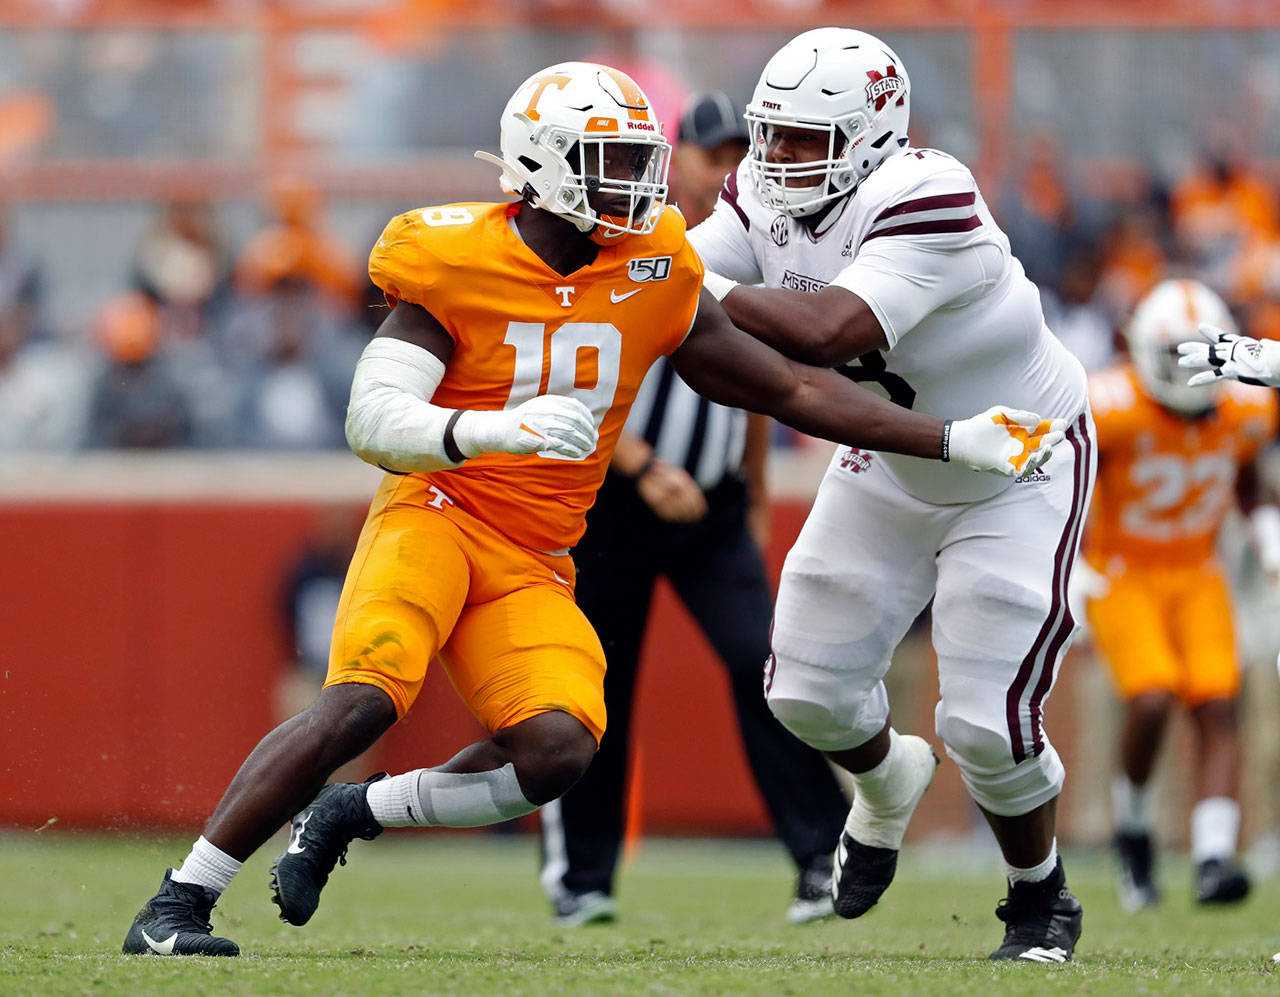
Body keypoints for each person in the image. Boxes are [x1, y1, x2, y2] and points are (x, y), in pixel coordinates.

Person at [121, 61, 1064, 957]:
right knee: (366, 698)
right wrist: (496, 431)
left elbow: (788, 387)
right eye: (607, 161)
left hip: (535, 552)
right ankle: (181, 898)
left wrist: (943, 437)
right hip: (438, 510)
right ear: (538, 162)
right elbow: (374, 417)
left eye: (637, 159)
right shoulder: (451, 254)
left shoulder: (651, 262)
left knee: (560, 747)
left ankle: (346, 812)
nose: (633, 182)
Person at [688, 28, 1094, 961]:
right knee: (805, 693)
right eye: (771, 134)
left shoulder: (927, 193)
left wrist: (686, 281)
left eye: (803, 139)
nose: (777, 158)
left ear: (873, 133)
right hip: (893, 460)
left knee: (988, 725)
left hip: (1016, 463)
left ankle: (1041, 898)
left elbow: (830, 330)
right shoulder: (760, 192)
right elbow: (677, 271)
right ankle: (885, 783)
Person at [538, 92, 848, 928]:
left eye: (741, 157)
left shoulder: (755, 248)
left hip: (710, 508)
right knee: (596, 684)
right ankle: (581, 873)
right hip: (613, 502)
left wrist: (749, 499)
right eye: (715, 155)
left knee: (766, 665)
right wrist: (642, 467)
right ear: (677, 160)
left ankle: (822, 855)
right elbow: (578, 375)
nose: (730, 172)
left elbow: (757, 390)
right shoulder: (630, 238)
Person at [1076, 279, 1278, 911]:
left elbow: (1245, 478)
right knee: (1154, 696)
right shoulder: (1109, 403)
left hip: (1198, 571)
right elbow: (1062, 479)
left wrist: (1268, 533)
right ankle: (1133, 831)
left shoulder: (1246, 407)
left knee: (1218, 704)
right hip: (1123, 570)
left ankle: (1214, 858)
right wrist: (1066, 560)